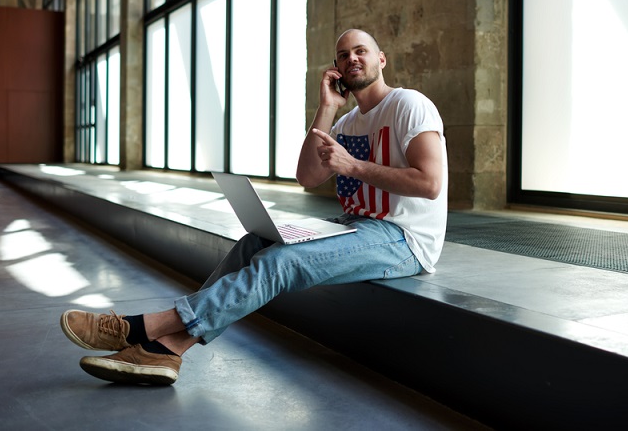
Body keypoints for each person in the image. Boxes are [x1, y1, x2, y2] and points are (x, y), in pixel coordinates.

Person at [59, 29, 448, 385]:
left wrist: (353, 166)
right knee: (254, 244)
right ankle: (166, 352)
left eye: (361, 51)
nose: (352, 59)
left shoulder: (409, 105)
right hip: (355, 226)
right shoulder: (345, 123)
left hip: (403, 239)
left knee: (281, 262)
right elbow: (308, 177)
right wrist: (327, 108)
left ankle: (143, 328)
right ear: (337, 68)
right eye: (343, 55)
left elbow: (429, 184)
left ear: (382, 59)